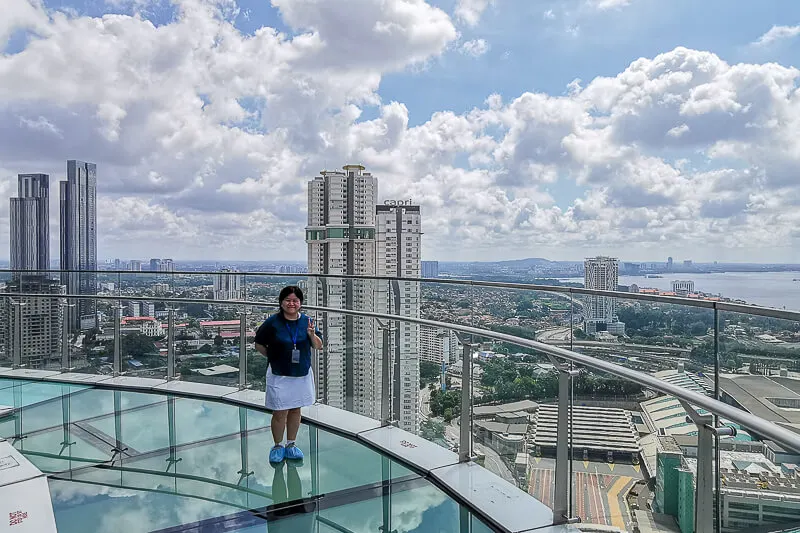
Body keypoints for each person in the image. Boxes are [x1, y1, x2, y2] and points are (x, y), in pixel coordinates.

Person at [254, 286, 323, 464]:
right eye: (288, 300)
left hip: (301, 373)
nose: (291, 303)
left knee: (295, 409)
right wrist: (275, 357)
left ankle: (291, 444)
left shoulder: (307, 321)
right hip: (279, 374)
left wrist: (311, 335)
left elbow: (318, 346)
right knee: (280, 411)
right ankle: (278, 445)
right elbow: (259, 344)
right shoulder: (272, 322)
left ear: (300, 303)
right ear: (281, 302)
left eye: (295, 300)